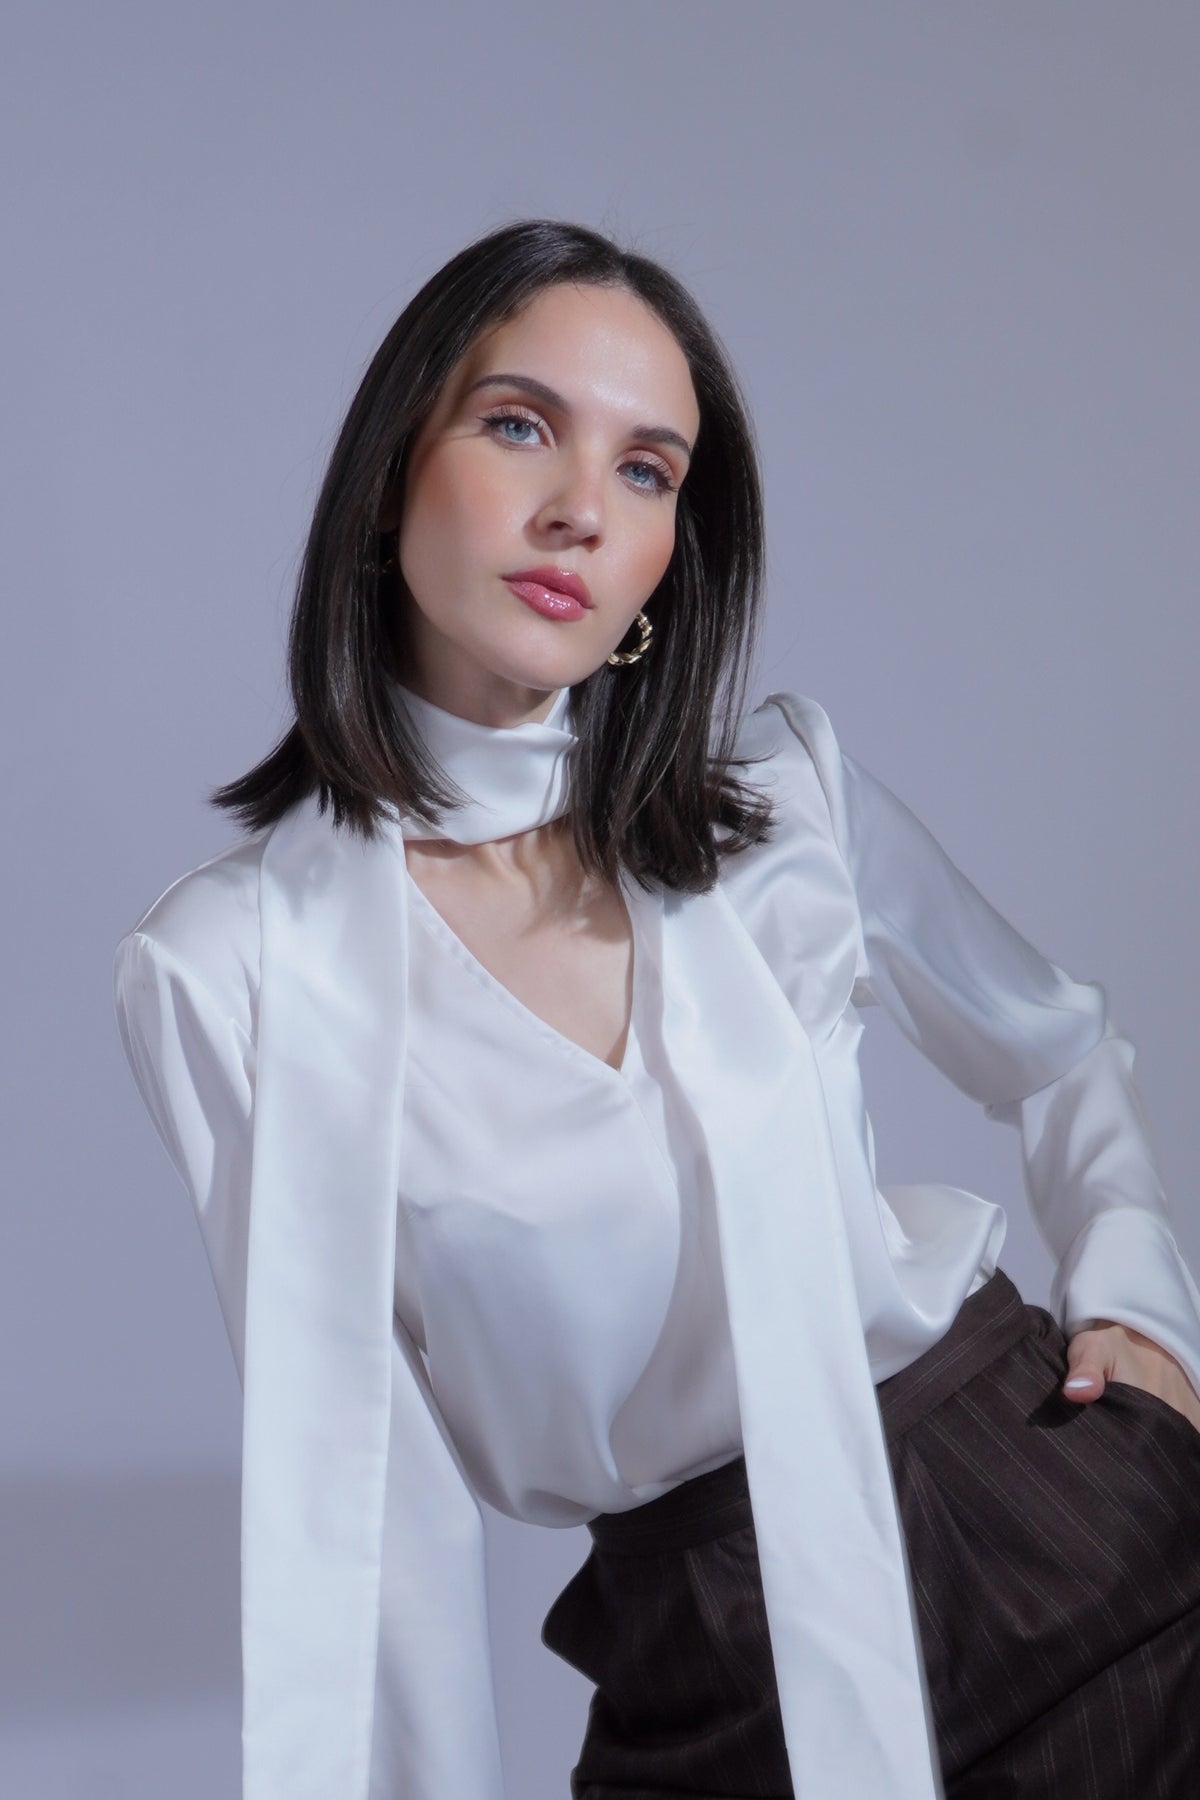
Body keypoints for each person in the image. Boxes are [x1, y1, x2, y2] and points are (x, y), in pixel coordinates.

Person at [113, 218, 1200, 1800]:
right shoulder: (229, 971)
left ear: (663, 558)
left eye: (646, 470)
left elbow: (1061, 1047)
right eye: (519, 426)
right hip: (704, 1649)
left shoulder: (784, 808)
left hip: (1053, 1531)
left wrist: (1144, 1310)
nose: (580, 506)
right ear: (391, 474)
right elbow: (353, 1495)